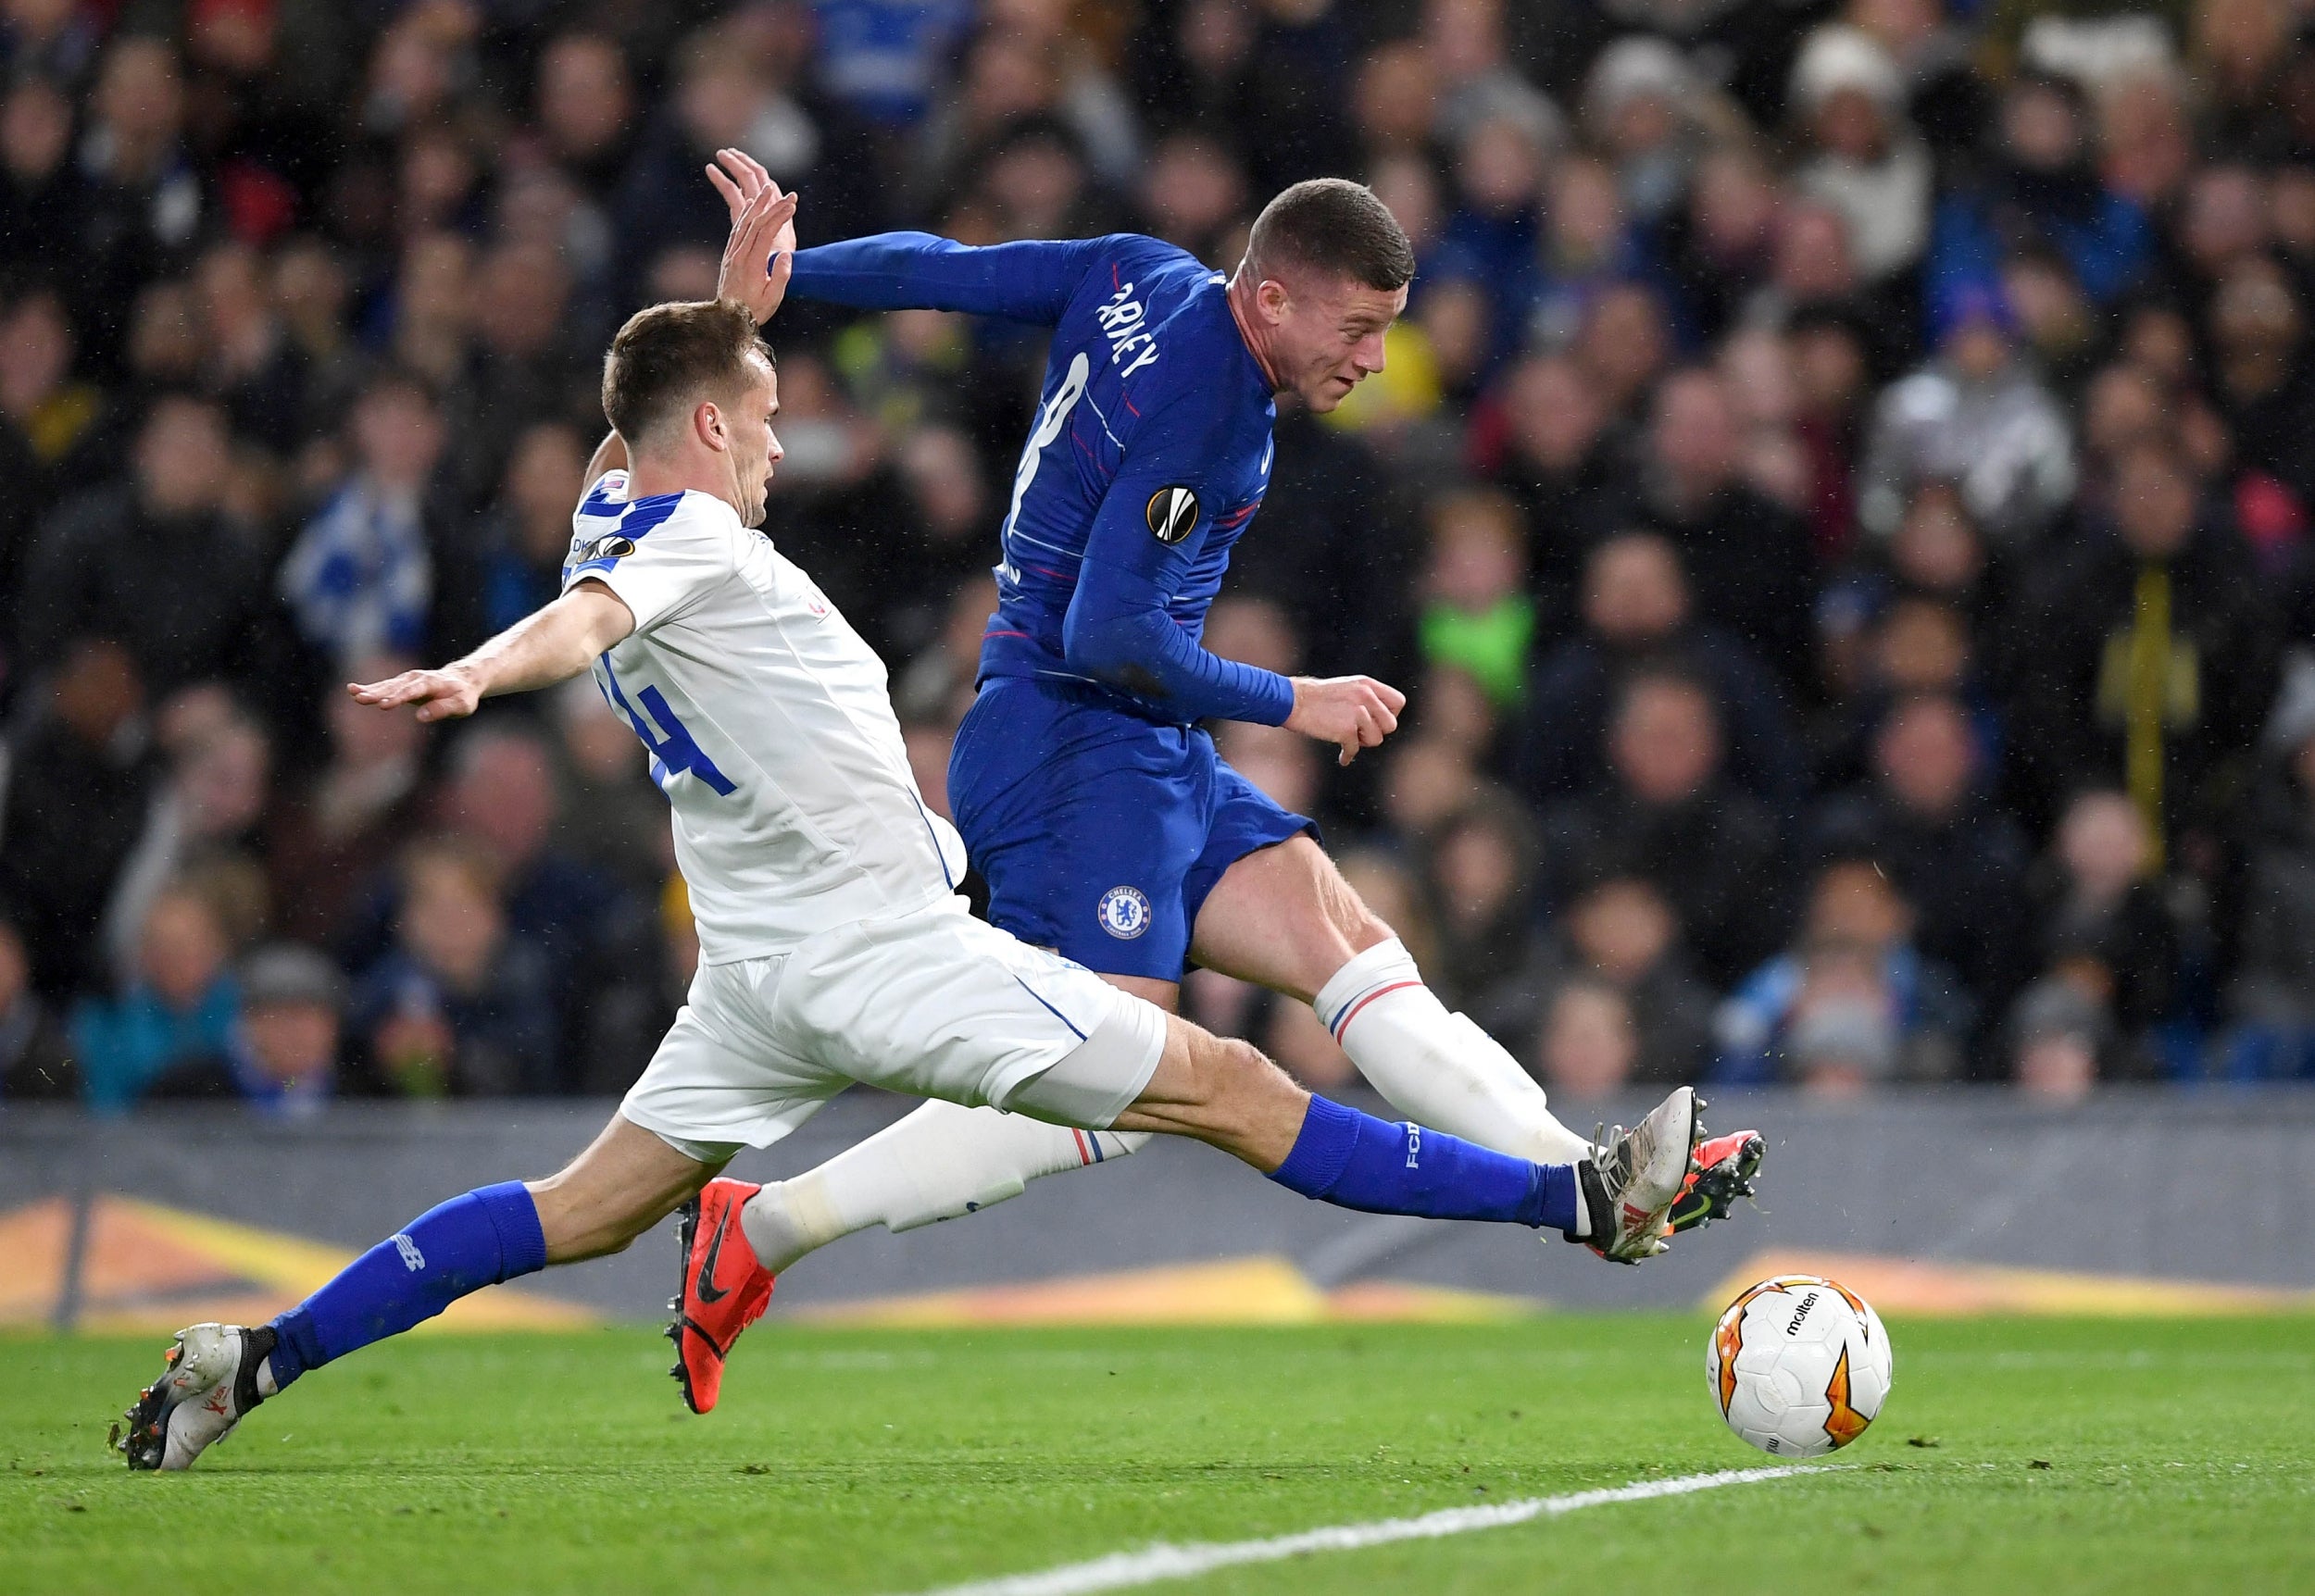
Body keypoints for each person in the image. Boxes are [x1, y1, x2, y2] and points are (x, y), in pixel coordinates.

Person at [119, 209, 1737, 1474]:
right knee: (1228, 1085)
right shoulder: (683, 542)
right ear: (698, 443)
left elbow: (654, 438)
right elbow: (597, 606)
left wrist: (767, 285)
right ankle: (1577, 1207)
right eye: (756, 422)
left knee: (578, 1208)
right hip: (883, 946)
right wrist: (482, 664)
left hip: (753, 969)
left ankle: (256, 1355)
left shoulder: (617, 490)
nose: (775, 447)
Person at [707, 152, 1766, 1279]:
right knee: (1111, 1090)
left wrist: (792, 274)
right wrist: (1293, 698)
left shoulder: (1138, 274)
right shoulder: (1214, 418)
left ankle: (1589, 1177)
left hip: (1126, 741)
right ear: (1270, 298)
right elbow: (1105, 633)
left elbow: (947, 272)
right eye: (1355, 330)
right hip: (1069, 744)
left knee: (1342, 938)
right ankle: (764, 1226)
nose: (1373, 359)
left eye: (1387, 330)